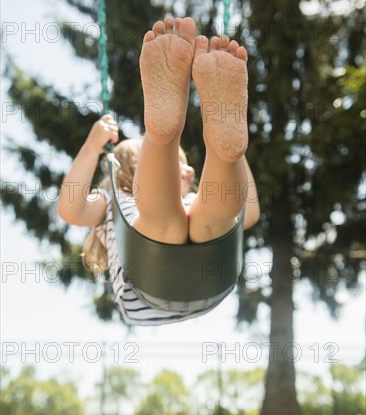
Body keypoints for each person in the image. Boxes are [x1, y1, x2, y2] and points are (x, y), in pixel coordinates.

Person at [58, 16, 260, 325]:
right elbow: (72, 209)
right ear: (131, 173)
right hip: (196, 282)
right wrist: (93, 145)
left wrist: (231, 153)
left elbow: (247, 213)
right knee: (185, 220)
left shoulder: (195, 200)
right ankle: (170, 138)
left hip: (164, 289)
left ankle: (179, 140)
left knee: (205, 216)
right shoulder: (113, 201)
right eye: (179, 164)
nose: (191, 170)